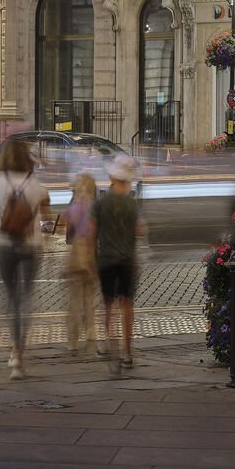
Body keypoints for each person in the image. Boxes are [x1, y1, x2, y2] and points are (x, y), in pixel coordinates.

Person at [0, 134, 50, 379]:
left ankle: (10, 347)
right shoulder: (37, 185)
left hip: (4, 244)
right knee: (25, 299)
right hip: (31, 245)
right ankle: (18, 355)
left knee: (11, 297)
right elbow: (48, 219)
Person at [92, 156, 144, 374]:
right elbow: (140, 231)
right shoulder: (131, 203)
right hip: (127, 260)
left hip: (106, 260)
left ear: (112, 178)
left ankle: (111, 350)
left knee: (108, 306)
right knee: (127, 306)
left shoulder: (101, 202)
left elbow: (91, 233)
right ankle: (127, 352)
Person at [63, 171, 98, 356]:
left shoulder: (73, 207)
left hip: (76, 253)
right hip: (90, 252)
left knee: (74, 299)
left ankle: (72, 340)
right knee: (89, 298)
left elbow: (68, 232)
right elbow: (93, 233)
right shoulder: (94, 207)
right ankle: (91, 331)